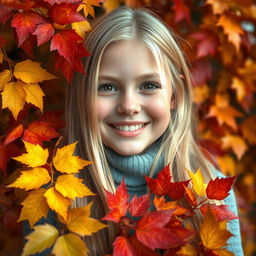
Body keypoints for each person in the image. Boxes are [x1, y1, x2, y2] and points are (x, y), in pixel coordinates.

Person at [25, 6, 244, 256]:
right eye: (107, 87)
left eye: (148, 85)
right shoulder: (53, 198)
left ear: (175, 94)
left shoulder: (210, 196)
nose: (129, 106)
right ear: (82, 96)